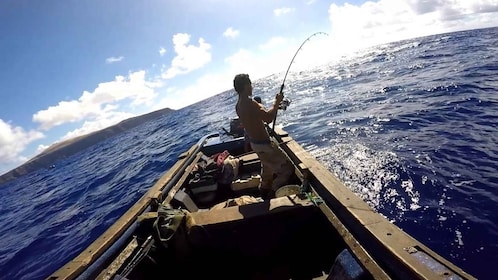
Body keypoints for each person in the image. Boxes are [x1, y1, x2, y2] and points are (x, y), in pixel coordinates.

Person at [233, 73, 294, 199]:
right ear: (245, 86)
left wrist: (265, 107)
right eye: (250, 84)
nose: (252, 87)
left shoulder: (238, 106)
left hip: (255, 144)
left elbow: (254, 117)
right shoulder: (250, 102)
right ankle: (275, 189)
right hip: (265, 144)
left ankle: (264, 190)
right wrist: (276, 103)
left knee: (267, 168)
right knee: (287, 169)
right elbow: (268, 118)